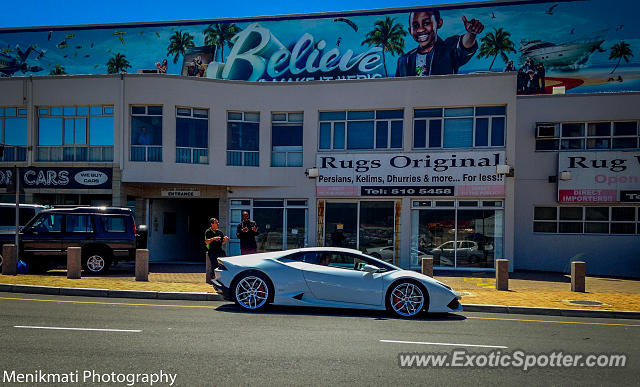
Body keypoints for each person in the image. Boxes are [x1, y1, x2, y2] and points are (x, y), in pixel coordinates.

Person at [395, 9, 483, 77]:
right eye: (415, 26)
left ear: (439, 23)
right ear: (410, 30)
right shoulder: (403, 60)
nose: (420, 29)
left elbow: (464, 46)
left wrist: (471, 33)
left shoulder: (449, 50)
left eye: (426, 23)